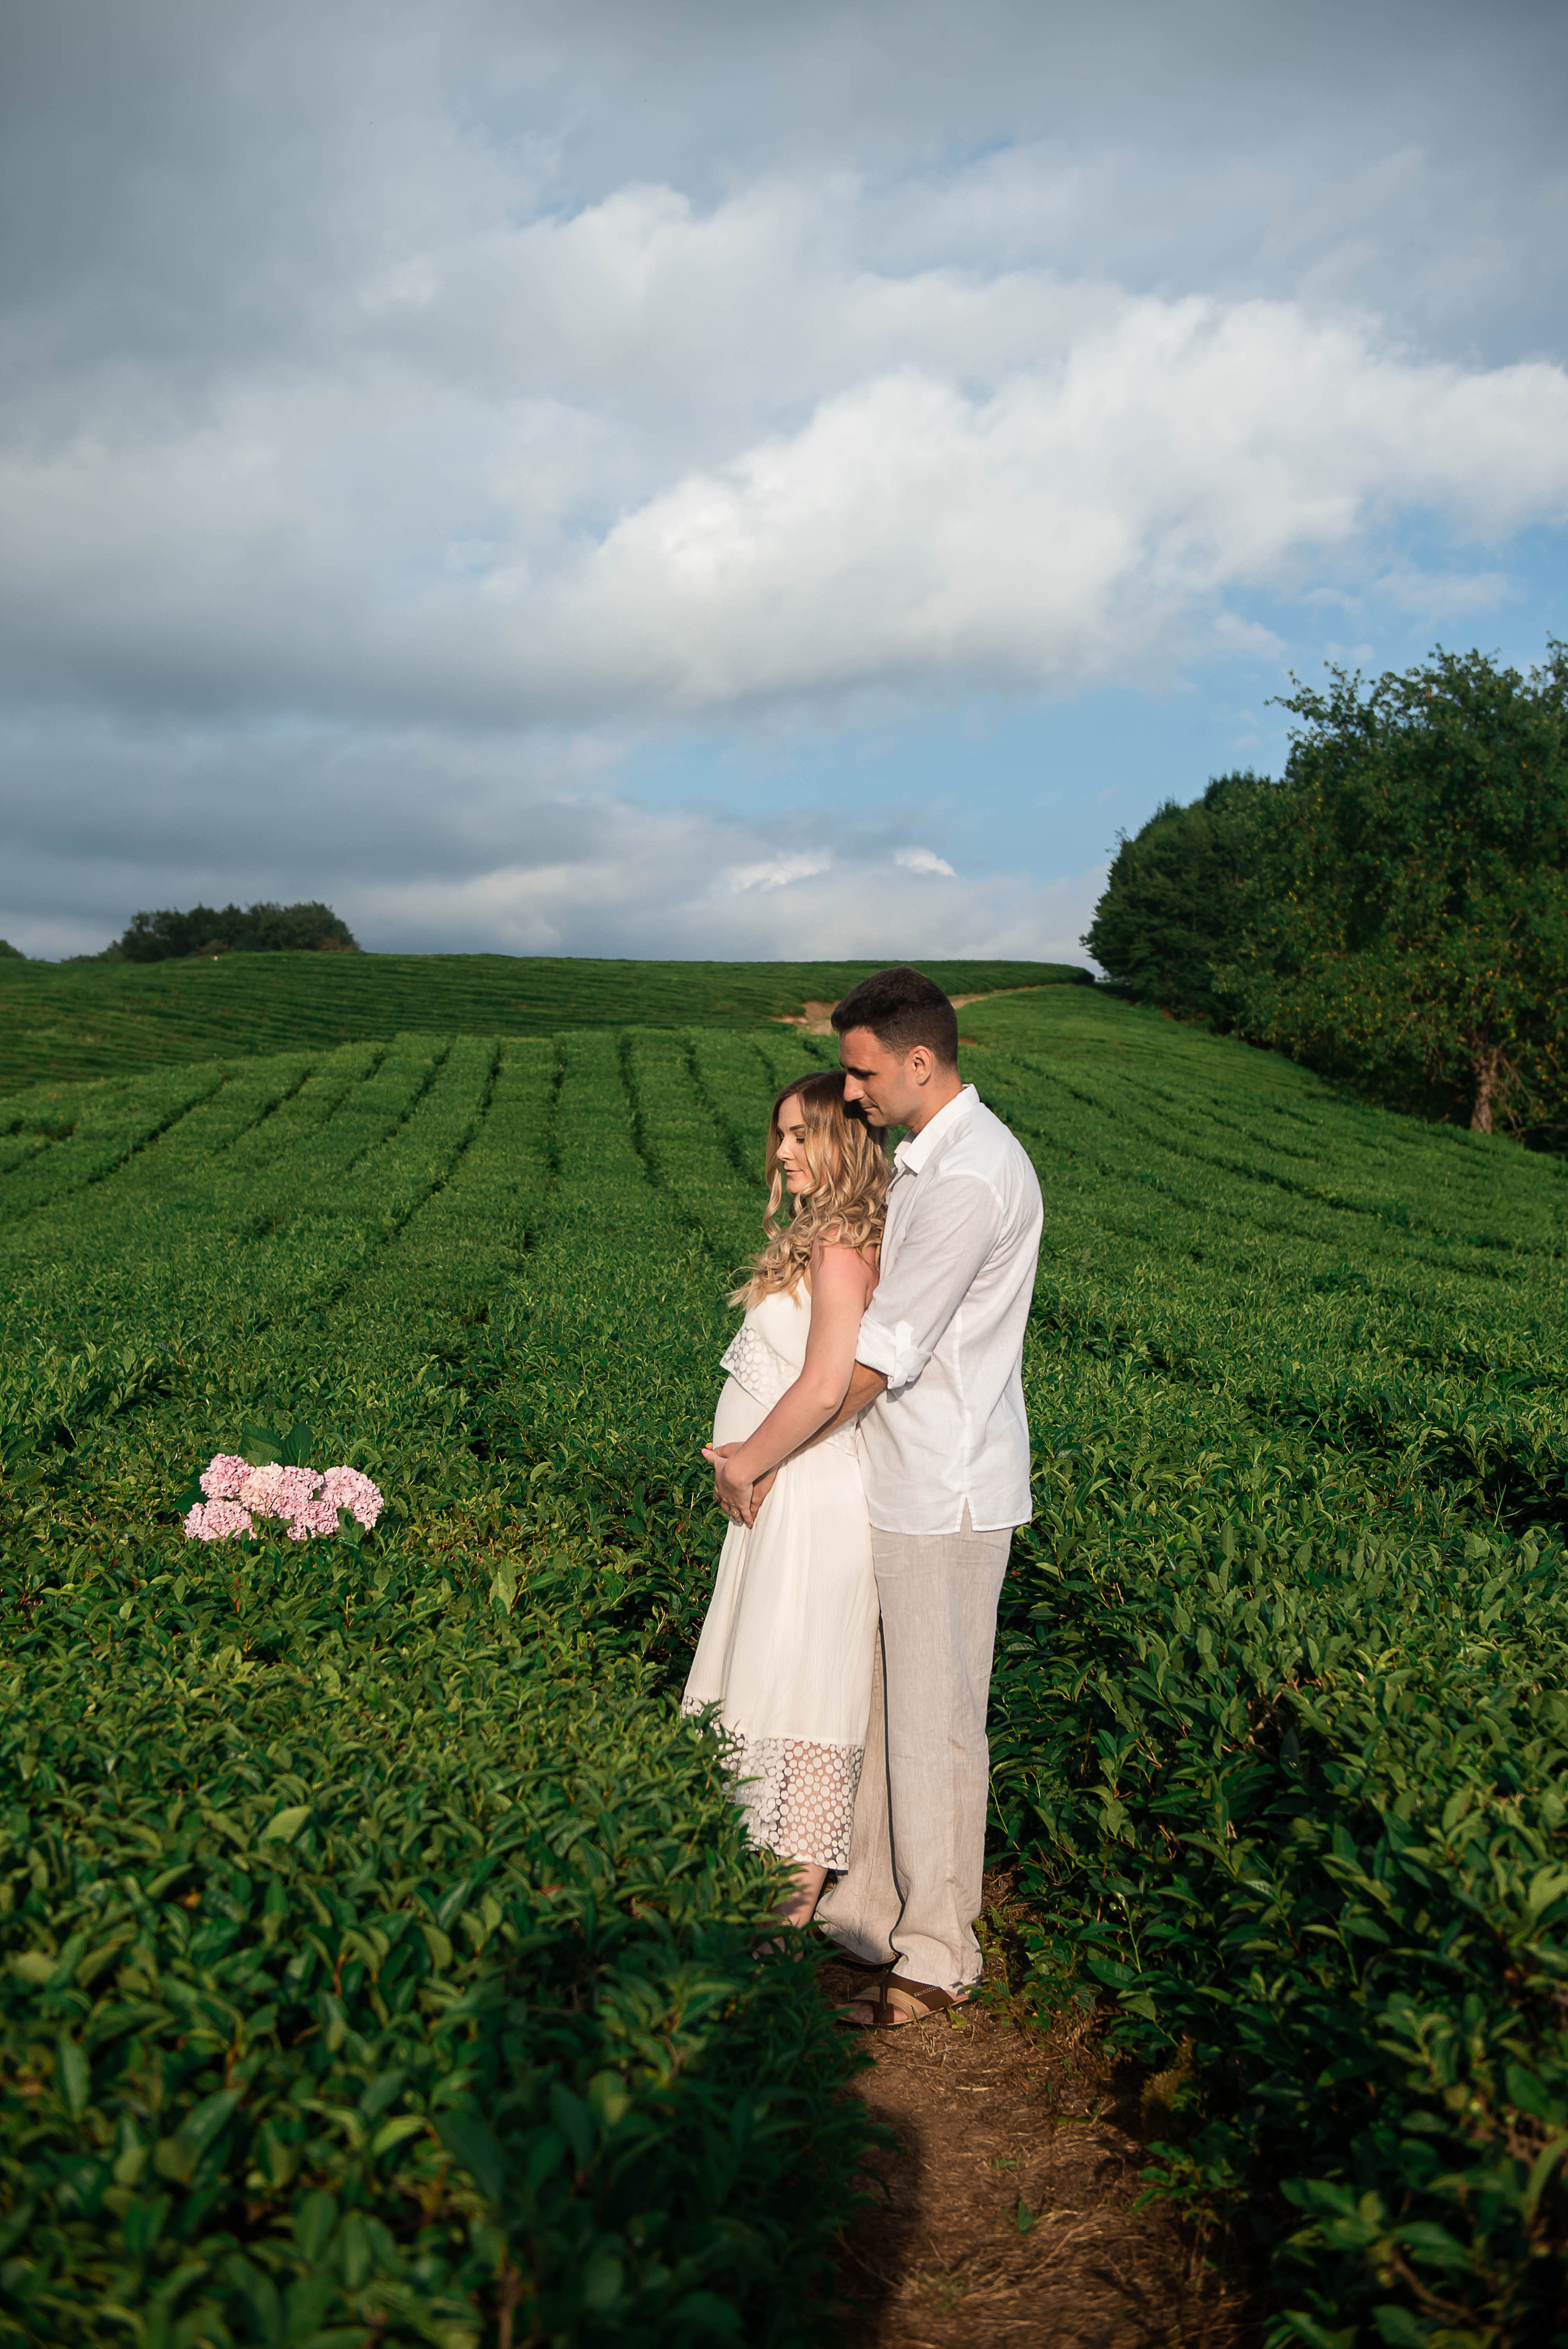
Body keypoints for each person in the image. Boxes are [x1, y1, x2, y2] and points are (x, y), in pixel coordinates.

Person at [790, 965, 1042, 2027]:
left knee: (937, 1728)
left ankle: (938, 1954)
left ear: (921, 1061)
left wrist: (774, 1449)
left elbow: (885, 1351)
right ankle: (871, 1916)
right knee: (888, 1714)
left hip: (947, 1487)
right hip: (902, 1480)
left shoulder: (972, 1176)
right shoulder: (926, 1160)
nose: (849, 1093)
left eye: (861, 1073)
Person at [682, 1071, 889, 1931]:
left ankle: (779, 1933)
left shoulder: (841, 1246)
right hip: (781, 1495)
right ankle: (752, 1923)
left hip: (808, 1501)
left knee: (800, 1705)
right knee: (768, 1695)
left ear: (843, 1139)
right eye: (780, 1135)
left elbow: (827, 1384)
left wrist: (745, 1467)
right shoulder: (823, 1237)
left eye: (802, 1135)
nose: (783, 1151)